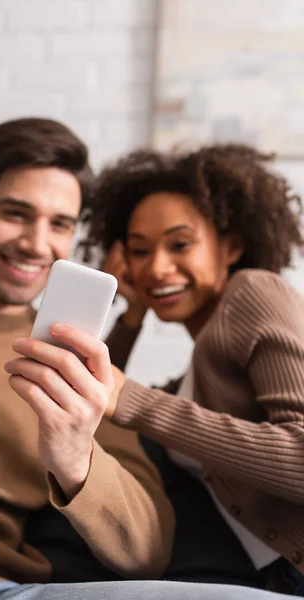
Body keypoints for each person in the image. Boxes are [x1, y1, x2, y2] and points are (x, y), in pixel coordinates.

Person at [0, 117, 179, 599]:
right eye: (15, 213)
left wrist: (76, 456)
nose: (36, 243)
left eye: (59, 224)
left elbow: (148, 550)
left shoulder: (75, 362)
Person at [76, 143, 303, 596]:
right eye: (140, 252)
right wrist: (132, 310)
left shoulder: (253, 291)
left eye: (180, 244)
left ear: (231, 245)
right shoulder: (194, 377)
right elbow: (90, 400)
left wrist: (134, 401)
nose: (157, 267)